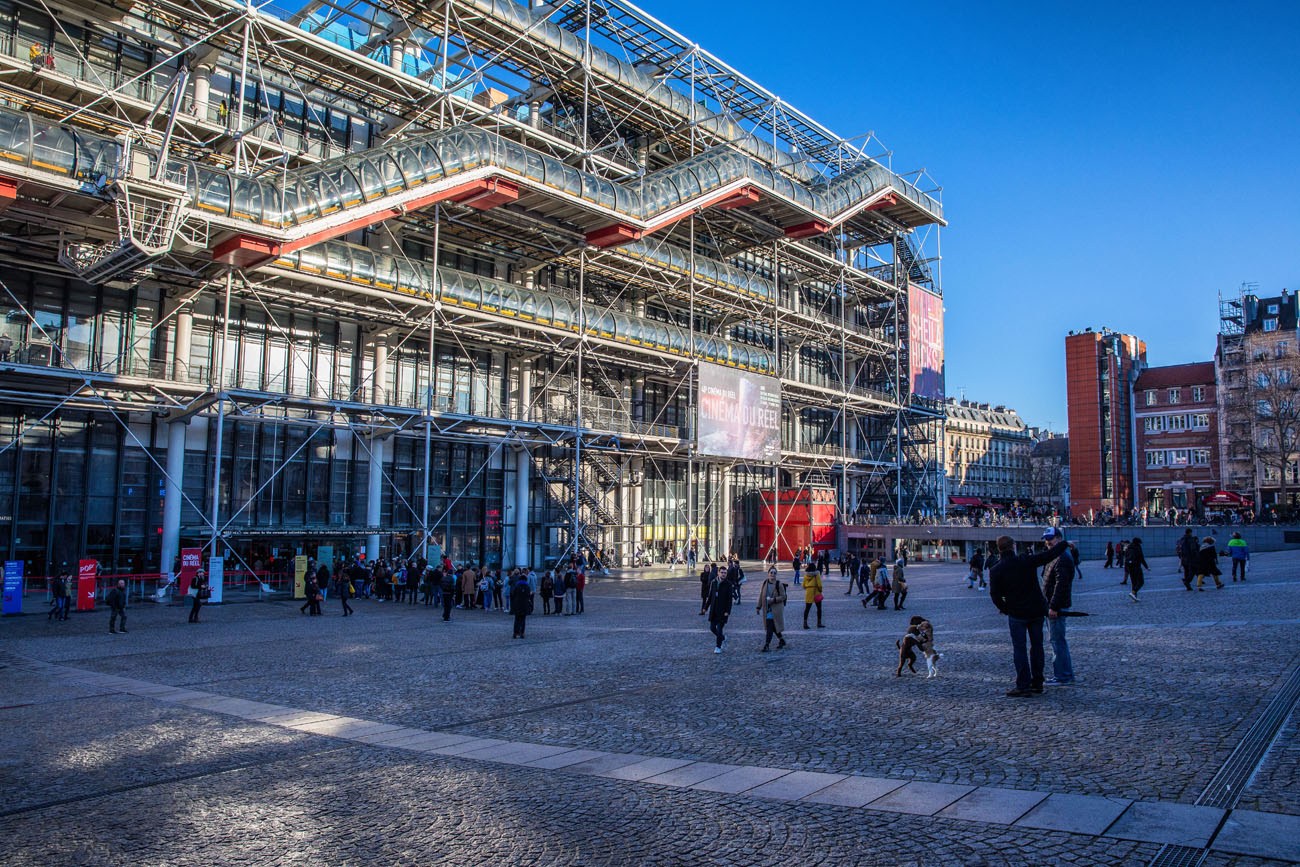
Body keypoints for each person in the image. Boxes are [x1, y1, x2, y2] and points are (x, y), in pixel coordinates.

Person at [988, 534, 1068, 697]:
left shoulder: (996, 569)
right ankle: (1037, 682)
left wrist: (1006, 609)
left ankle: (1023, 685)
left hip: (1017, 613)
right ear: (1013, 546)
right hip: (1036, 611)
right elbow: (1047, 556)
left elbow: (995, 595)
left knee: (1020, 649)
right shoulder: (1025, 560)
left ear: (999, 549)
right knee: (1037, 647)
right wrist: (1064, 544)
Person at [1040, 528, 1075, 686]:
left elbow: (1061, 585)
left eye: (1051, 538)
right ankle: (1065, 674)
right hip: (1052, 605)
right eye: (1046, 539)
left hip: (1056, 607)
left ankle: (1062, 676)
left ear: (1059, 538)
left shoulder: (1062, 558)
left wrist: (1053, 607)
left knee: (1057, 641)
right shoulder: (1054, 556)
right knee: (1057, 641)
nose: (1048, 542)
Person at [756, 566, 787, 651]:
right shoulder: (765, 583)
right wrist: (758, 607)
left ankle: (767, 645)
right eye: (771, 572)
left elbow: (784, 596)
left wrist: (774, 600)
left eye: (774, 573)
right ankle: (781, 640)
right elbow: (761, 595)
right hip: (767, 609)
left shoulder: (779, 584)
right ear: (768, 573)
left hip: (776, 610)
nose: (773, 574)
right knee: (773, 626)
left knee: (770, 627)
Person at [707, 572, 734, 653]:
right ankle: (722, 637)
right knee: (712, 628)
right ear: (718, 573)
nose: (723, 574)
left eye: (725, 573)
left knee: (719, 629)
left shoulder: (728, 584)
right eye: (722, 572)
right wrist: (705, 607)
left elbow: (729, 599)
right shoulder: (714, 582)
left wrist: (727, 611)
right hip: (714, 610)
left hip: (723, 611)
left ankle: (718, 647)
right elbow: (710, 596)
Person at [801, 563, 824, 629]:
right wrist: (820, 590)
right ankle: (819, 623)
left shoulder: (806, 575)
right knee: (819, 608)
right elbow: (819, 584)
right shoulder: (817, 574)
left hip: (809, 591)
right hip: (816, 591)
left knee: (807, 608)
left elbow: (803, 585)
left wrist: (808, 588)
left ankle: (805, 623)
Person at [510, 573, 533, 638]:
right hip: (524, 605)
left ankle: (515, 633)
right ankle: (522, 633)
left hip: (517, 605)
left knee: (516, 619)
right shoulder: (527, 587)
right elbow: (529, 596)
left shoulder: (517, 586)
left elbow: (513, 594)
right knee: (523, 620)